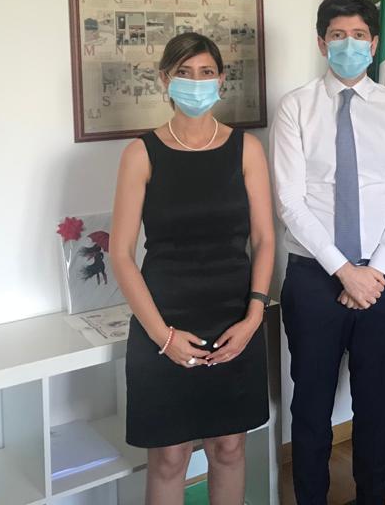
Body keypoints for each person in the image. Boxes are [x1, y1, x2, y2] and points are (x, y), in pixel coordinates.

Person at [271, 0, 385, 505]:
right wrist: (344, 272)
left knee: (374, 405)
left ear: (374, 44)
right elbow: (290, 201)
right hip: (315, 277)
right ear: (321, 43)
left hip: (382, 276)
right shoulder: (296, 107)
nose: (349, 44)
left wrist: (372, 271)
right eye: (338, 35)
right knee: (311, 408)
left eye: (359, 35)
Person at [110, 32, 274, 505]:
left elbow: (264, 239)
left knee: (229, 448)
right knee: (169, 457)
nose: (196, 82)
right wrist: (162, 336)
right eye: (184, 72)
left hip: (235, 319)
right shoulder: (140, 154)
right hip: (163, 320)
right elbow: (121, 253)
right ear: (165, 80)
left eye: (206, 72)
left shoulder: (246, 149)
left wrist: (254, 317)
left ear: (221, 80)